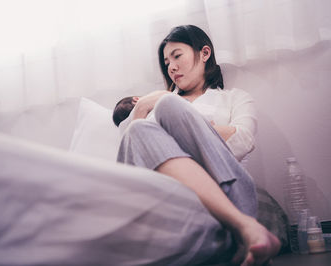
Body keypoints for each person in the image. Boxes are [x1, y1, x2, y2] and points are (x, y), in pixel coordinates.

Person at [116, 25, 281, 265]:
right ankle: (244, 226)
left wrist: (190, 124)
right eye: (166, 62)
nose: (171, 67)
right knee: (141, 126)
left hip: (231, 189)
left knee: (169, 107)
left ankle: (237, 220)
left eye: (177, 56)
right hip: (171, 200)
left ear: (204, 53)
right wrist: (142, 108)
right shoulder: (149, 109)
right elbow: (130, 157)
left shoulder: (234, 98)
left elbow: (244, 139)